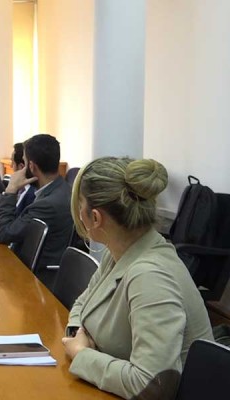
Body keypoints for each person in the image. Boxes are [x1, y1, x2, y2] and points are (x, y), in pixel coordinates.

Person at [61, 157, 213, 399]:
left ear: (96, 217)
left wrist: (82, 354)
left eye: (80, 205)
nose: (78, 214)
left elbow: (151, 385)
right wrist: (76, 335)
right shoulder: (121, 250)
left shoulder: (150, 275)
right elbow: (83, 302)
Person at [0, 134, 72, 287]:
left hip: (36, 281)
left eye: (24, 161)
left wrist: (10, 190)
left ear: (31, 166)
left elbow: (3, 234)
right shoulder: (61, 189)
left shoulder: (47, 204)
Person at [0, 143, 36, 233]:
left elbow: (17, 229)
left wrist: (9, 191)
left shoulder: (32, 194)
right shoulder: (20, 189)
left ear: (21, 167)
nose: (11, 166)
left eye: (12, 162)